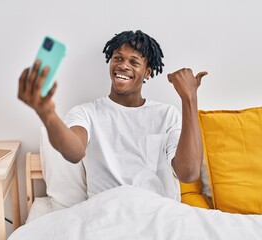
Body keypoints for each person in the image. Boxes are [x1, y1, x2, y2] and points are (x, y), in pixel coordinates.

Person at [18, 30, 207, 201]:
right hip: (106, 213)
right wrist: (47, 113)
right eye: (118, 58)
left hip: (157, 213)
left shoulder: (166, 114)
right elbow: (75, 152)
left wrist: (189, 99)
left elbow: (188, 173)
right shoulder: (86, 112)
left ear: (147, 72)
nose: (123, 66)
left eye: (134, 62)